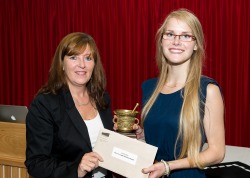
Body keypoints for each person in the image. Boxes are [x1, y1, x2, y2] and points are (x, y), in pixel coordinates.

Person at [133, 9, 225, 178]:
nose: (176, 41)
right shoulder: (148, 88)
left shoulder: (207, 90)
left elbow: (217, 152)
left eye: (185, 36)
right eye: (170, 34)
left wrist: (168, 166)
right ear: (161, 41)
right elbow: (162, 139)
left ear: (196, 44)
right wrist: (141, 137)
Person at [25, 32, 114, 178]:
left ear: (94, 64)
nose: (82, 65)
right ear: (62, 64)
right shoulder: (44, 104)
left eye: (88, 58)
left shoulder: (102, 98)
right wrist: (76, 169)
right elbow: (36, 164)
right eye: (73, 57)